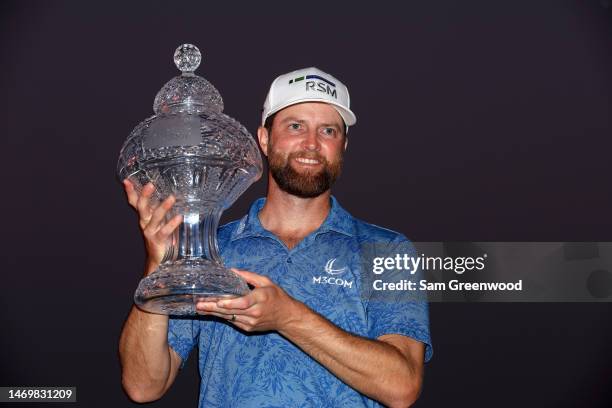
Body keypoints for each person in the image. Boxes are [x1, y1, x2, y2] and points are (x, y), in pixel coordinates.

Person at [119, 67, 433, 407]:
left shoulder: (387, 250)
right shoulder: (214, 252)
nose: (311, 144)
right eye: (295, 126)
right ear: (264, 139)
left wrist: (288, 317)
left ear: (343, 145)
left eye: (328, 130)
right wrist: (160, 267)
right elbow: (143, 386)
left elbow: (402, 387)